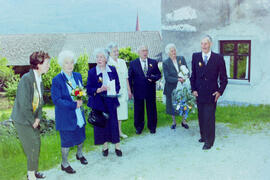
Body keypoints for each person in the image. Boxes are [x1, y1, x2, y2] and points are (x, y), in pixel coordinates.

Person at [11, 51, 50, 180]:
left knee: (36, 144)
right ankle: (31, 176)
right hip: (22, 120)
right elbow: (24, 103)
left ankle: (33, 171)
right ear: (38, 64)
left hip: (33, 119)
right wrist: (33, 121)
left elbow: (40, 101)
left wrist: (38, 117)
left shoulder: (39, 79)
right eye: (46, 63)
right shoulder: (26, 79)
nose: (48, 65)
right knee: (31, 146)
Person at [51, 50, 88, 174]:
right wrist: (73, 104)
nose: (70, 65)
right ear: (62, 64)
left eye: (72, 62)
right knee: (66, 140)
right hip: (66, 115)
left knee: (81, 135)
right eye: (67, 63)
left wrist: (81, 98)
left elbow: (80, 91)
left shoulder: (77, 76)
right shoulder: (57, 80)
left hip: (79, 113)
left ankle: (79, 154)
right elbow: (56, 100)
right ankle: (64, 163)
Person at [190, 35, 228, 150]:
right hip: (199, 93)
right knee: (201, 116)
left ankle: (209, 141)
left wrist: (220, 92)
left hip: (212, 94)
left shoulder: (218, 58)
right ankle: (203, 136)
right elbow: (193, 76)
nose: (203, 46)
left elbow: (224, 78)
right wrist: (193, 89)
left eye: (206, 43)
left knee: (209, 117)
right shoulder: (196, 56)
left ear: (210, 44)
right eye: (202, 43)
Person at [86, 48, 122, 157]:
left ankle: (117, 147)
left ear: (106, 59)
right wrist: (98, 90)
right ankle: (105, 146)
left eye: (101, 57)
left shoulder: (112, 69)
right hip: (99, 102)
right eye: (97, 57)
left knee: (113, 124)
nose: (99, 59)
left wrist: (113, 88)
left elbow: (118, 85)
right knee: (102, 124)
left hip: (111, 100)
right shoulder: (92, 72)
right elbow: (88, 89)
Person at [128, 45, 161, 134]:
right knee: (139, 109)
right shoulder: (133, 63)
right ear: (139, 52)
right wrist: (130, 90)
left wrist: (153, 78)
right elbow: (130, 78)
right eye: (143, 51)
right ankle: (139, 127)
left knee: (152, 109)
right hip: (138, 90)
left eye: (146, 50)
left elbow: (158, 74)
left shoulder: (153, 62)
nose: (145, 52)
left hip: (150, 90)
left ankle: (152, 127)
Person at [107, 42, 132, 138]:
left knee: (121, 113)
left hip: (123, 91)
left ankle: (119, 132)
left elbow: (126, 77)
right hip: (113, 92)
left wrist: (129, 90)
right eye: (114, 51)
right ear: (109, 52)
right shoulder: (108, 63)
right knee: (114, 113)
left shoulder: (122, 62)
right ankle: (113, 133)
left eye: (117, 50)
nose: (116, 52)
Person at [163, 43, 190, 130]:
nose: (174, 52)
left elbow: (187, 70)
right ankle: (174, 122)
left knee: (184, 103)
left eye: (174, 50)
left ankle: (184, 121)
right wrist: (178, 79)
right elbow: (167, 77)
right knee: (172, 104)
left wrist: (186, 76)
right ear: (168, 53)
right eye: (172, 51)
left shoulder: (181, 58)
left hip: (183, 86)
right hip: (171, 87)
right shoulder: (165, 63)